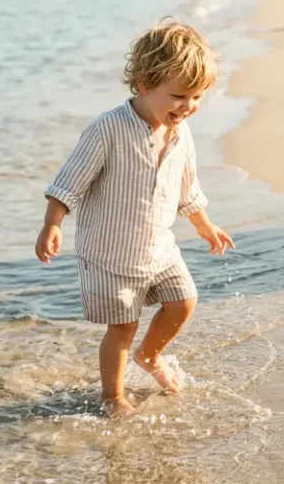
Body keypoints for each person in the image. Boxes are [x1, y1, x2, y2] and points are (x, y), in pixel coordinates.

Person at [35, 20, 236, 419]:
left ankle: (150, 355)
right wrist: (52, 223)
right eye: (179, 95)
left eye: (197, 97)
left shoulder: (181, 133)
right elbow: (69, 181)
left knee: (184, 302)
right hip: (110, 255)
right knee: (122, 327)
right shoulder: (108, 129)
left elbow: (186, 187)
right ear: (145, 83)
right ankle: (112, 396)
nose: (188, 107)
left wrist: (204, 225)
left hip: (159, 249)